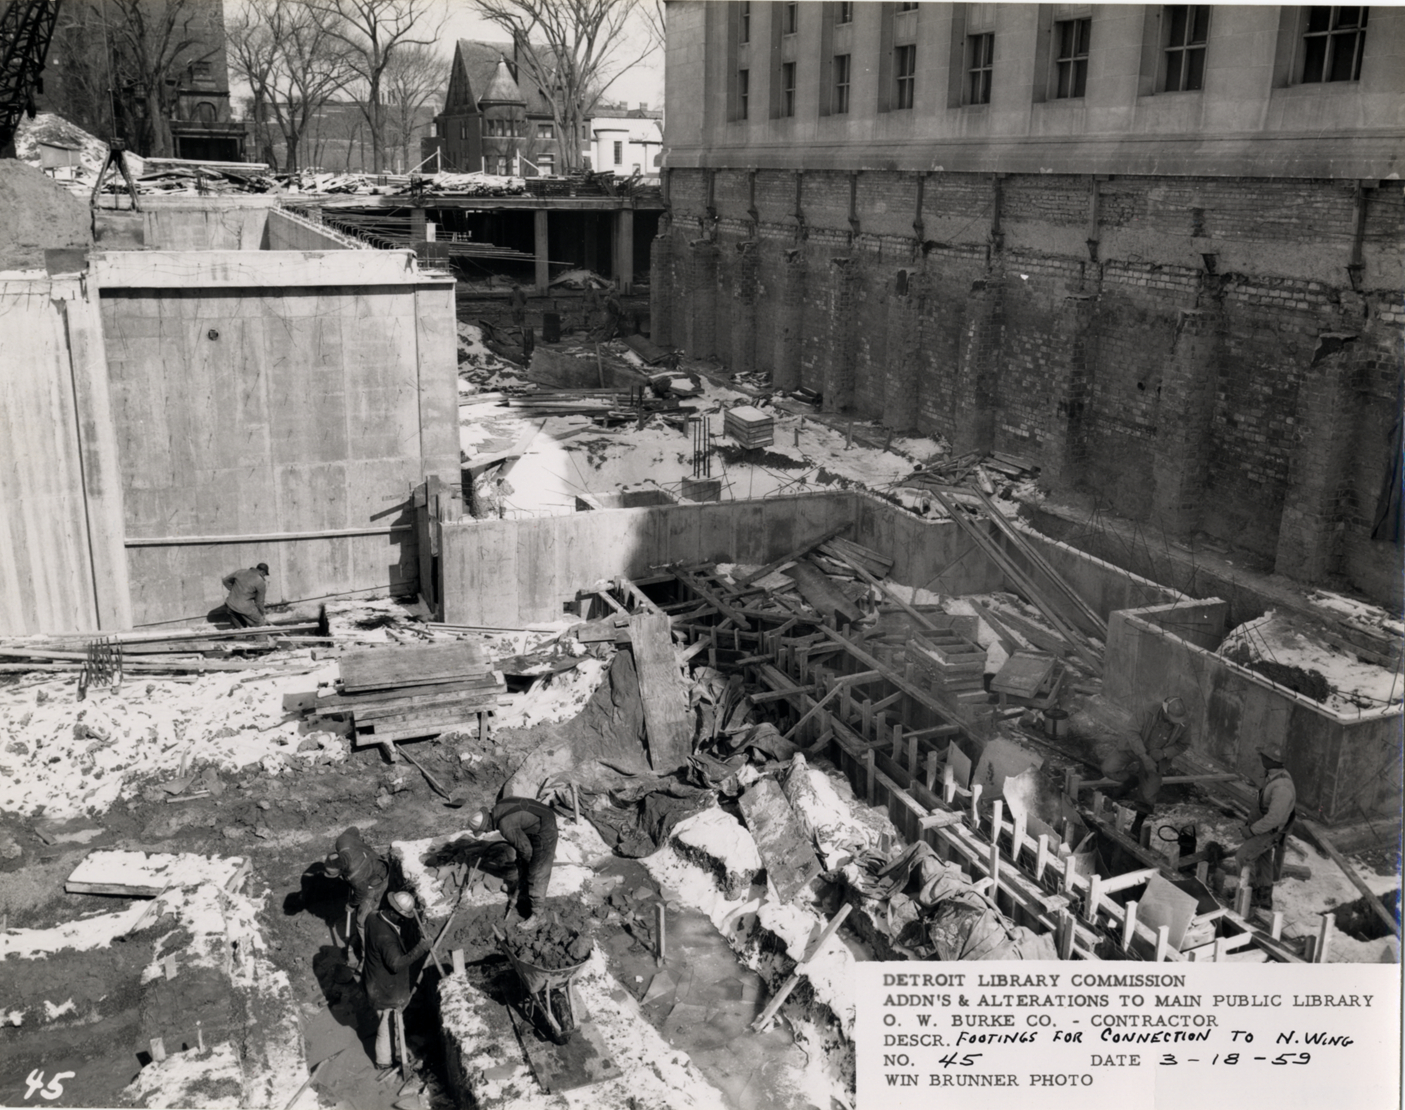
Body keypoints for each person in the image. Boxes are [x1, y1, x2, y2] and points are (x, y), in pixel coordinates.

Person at [363, 891, 431, 1071]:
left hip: (373, 979)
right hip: (384, 988)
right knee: (386, 1026)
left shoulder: (372, 917)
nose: (402, 920)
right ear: (394, 912)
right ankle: (384, 1062)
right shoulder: (386, 938)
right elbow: (396, 964)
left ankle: (395, 1050)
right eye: (401, 917)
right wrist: (420, 949)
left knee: (389, 1022)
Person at [468, 797, 558, 929]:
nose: (486, 832)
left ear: (486, 824)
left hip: (545, 828)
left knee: (537, 872)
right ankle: (524, 891)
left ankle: (538, 915)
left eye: (484, 830)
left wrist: (529, 870)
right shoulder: (499, 808)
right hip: (539, 819)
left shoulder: (505, 826)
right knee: (522, 860)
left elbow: (527, 851)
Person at [1235, 750, 1297, 915]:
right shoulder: (1273, 776)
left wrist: (1252, 830)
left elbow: (1274, 818)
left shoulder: (1282, 787)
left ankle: (1249, 895)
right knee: (1263, 860)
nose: (1261, 759)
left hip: (1269, 832)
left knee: (1243, 857)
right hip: (1265, 829)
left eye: (1265, 757)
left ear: (1273, 761)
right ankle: (1263, 898)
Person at [1101, 696, 1190, 808]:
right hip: (1133, 748)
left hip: (1155, 758)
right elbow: (1132, 732)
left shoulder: (1183, 721)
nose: (1175, 722)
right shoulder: (1147, 710)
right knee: (1108, 769)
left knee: (1148, 797)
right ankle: (1131, 780)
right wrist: (1144, 756)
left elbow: (1183, 744)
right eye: (1172, 718)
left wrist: (1164, 753)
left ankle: (1140, 811)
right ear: (1164, 710)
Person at [324, 827, 390, 969]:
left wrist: (351, 904)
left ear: (342, 869)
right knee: (359, 909)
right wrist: (360, 847)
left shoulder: (356, 877)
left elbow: (361, 893)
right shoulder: (343, 841)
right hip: (369, 869)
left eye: (334, 874)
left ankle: (367, 955)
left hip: (376, 882)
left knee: (362, 921)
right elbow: (353, 830)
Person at [222, 563, 269, 627]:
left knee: (240, 628)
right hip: (244, 607)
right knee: (261, 624)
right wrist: (261, 614)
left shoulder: (240, 572)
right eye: (265, 575)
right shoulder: (260, 582)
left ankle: (240, 632)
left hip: (229, 605)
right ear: (263, 572)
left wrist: (234, 590)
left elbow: (225, 580)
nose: (264, 576)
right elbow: (259, 602)